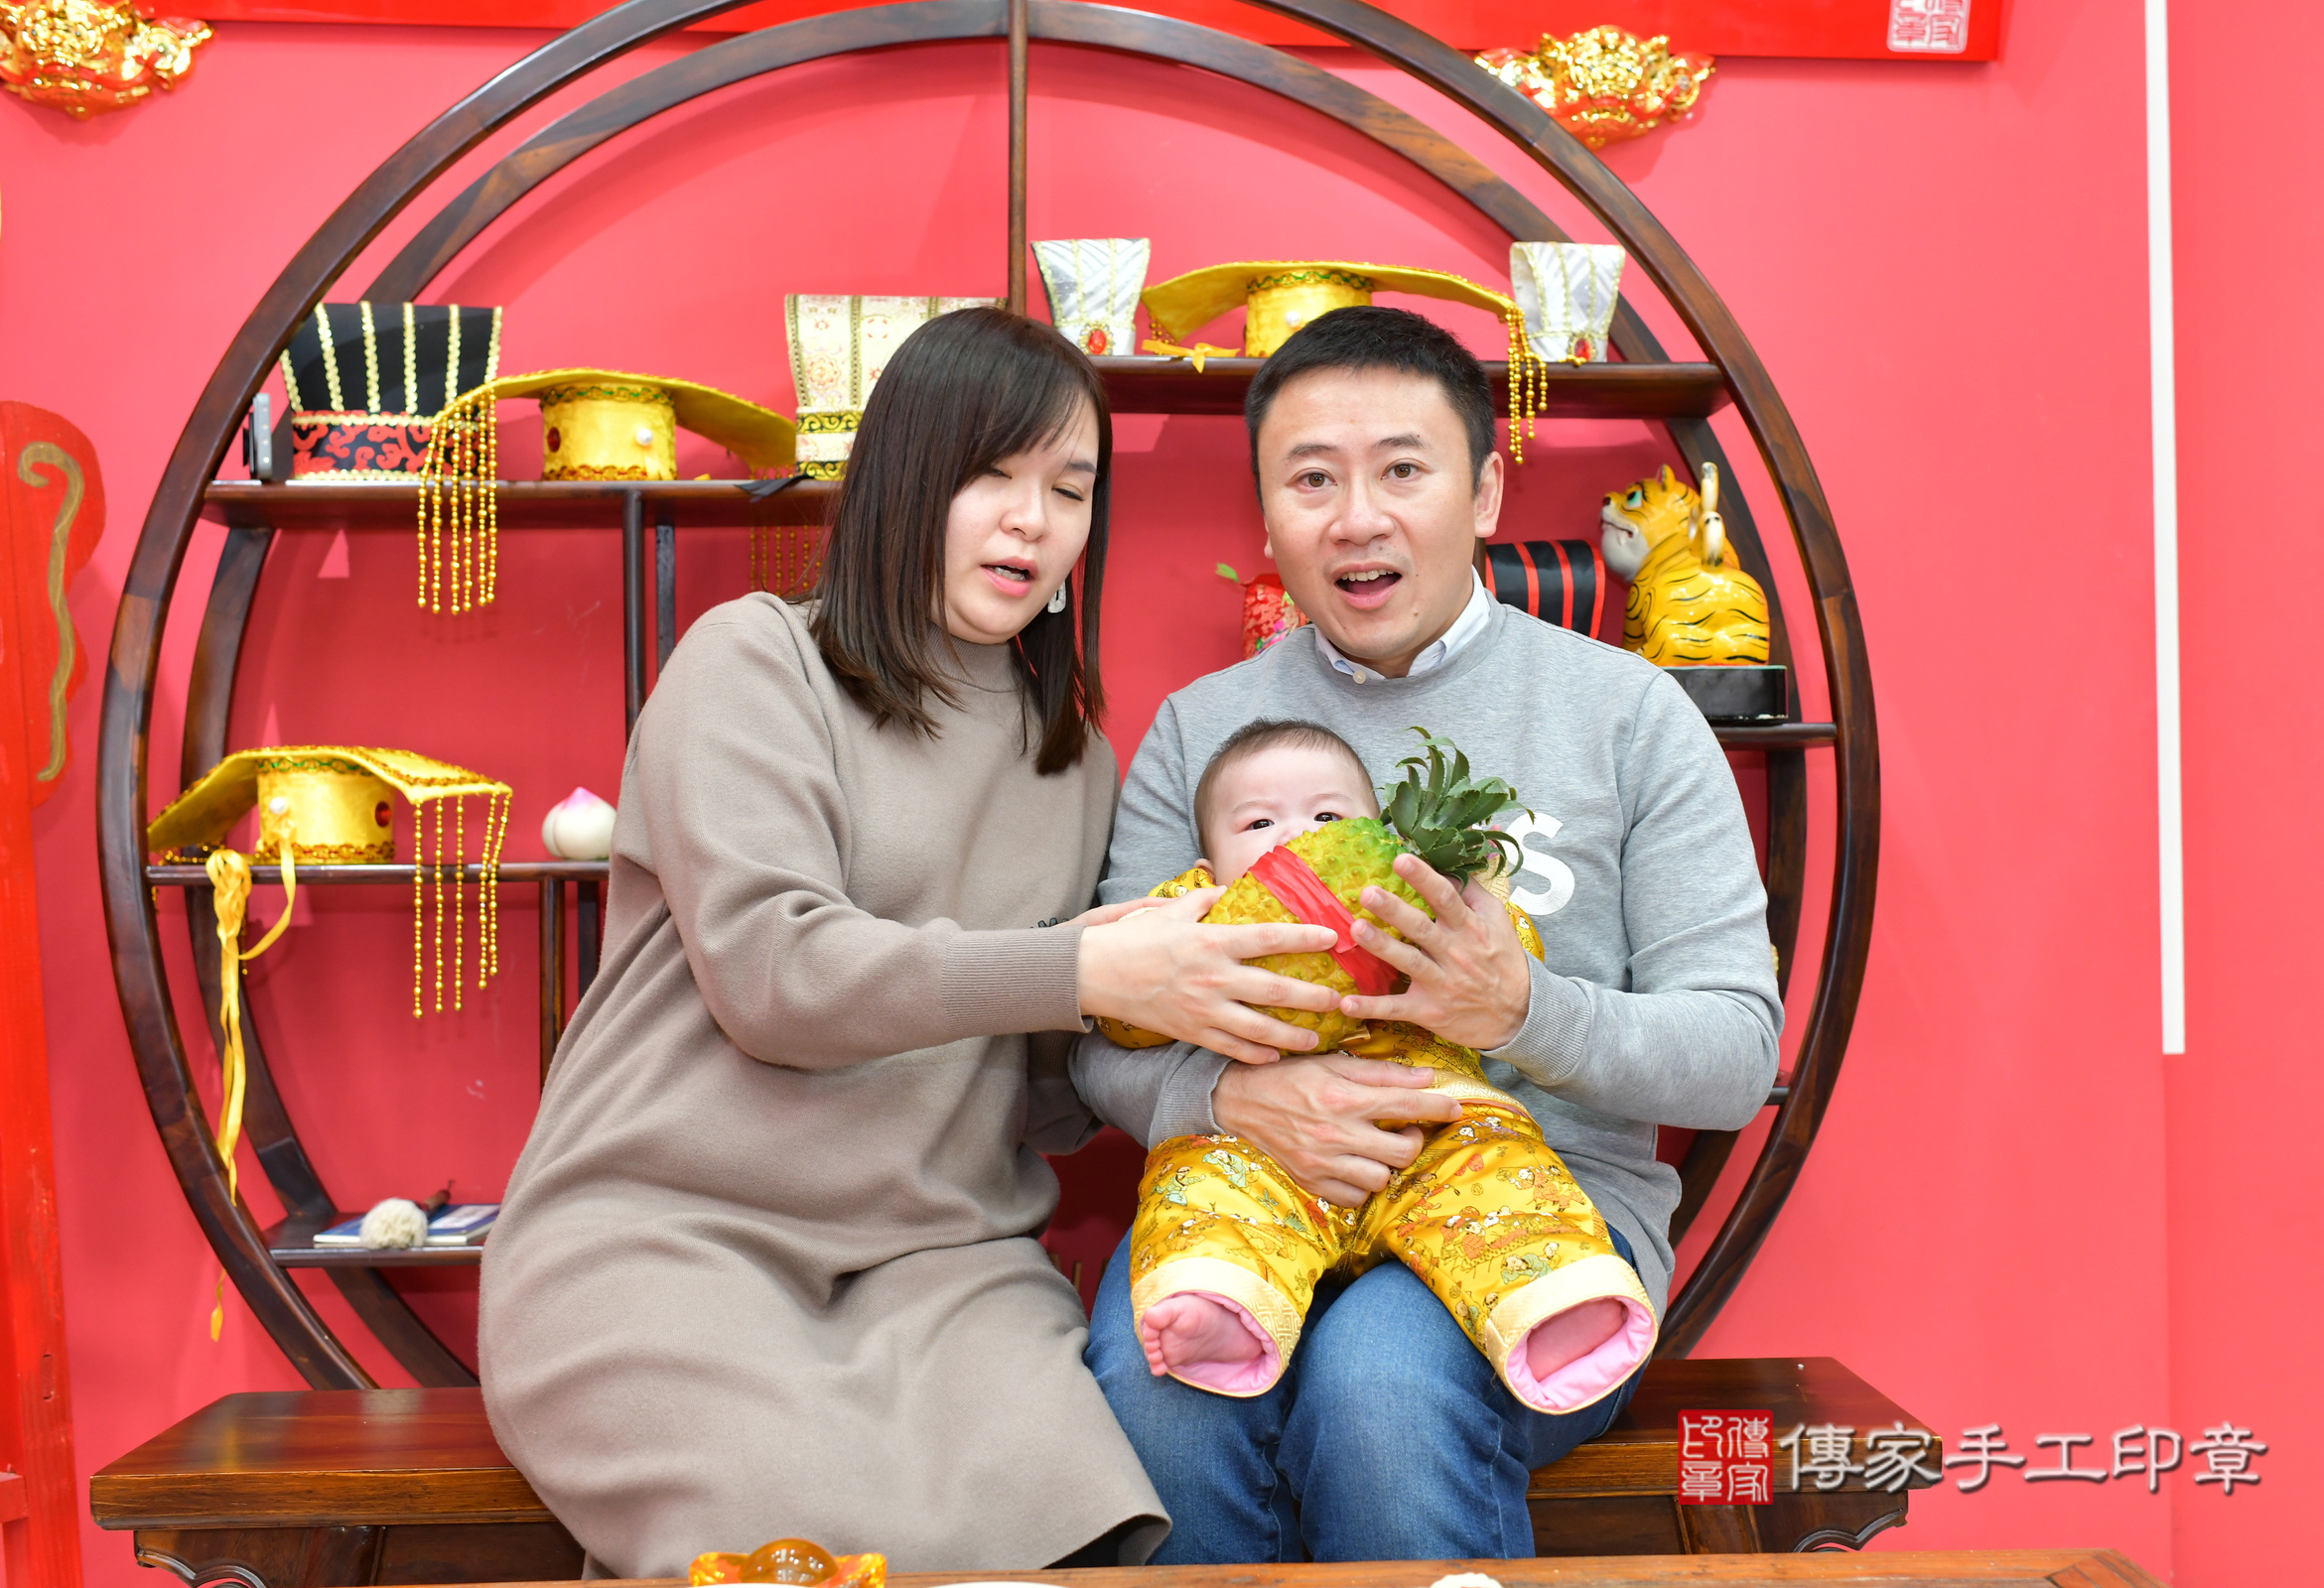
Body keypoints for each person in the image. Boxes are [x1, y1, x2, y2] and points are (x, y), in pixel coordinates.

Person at [478, 308, 1352, 1576]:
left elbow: (1043, 1096)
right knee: (789, 1540)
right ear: (902, 479)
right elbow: (775, 976)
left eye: (1069, 489)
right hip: (670, 1238)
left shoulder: (1076, 763)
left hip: (945, 1265)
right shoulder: (753, 662)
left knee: (1081, 1514)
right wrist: (1081, 968)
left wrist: (1218, 1008)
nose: (1032, 521)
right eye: (990, 474)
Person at [1073, 305, 1783, 1563]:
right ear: (1268, 518)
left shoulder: (1631, 715)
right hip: (1244, 1191)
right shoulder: (1201, 731)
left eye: (1403, 469)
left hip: (1539, 1210)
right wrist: (1223, 1100)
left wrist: (1522, 1011)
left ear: (1486, 491)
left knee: (1380, 1386)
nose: (1358, 517)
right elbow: (1106, 1030)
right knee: (1152, 1386)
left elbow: (1734, 1053)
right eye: (1312, 480)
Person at [1121, 719, 1656, 1411]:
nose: (1298, 836)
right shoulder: (1191, 915)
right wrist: (1145, 975)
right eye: (1258, 823)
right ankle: (1220, 1302)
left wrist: (1474, 928)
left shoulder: (1411, 898)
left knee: (1496, 1179)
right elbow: (1122, 1009)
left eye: (1328, 817)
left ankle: (1550, 1304)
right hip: (1259, 1147)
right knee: (1203, 1185)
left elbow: (1503, 955)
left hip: (1427, 1129)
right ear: (1207, 863)